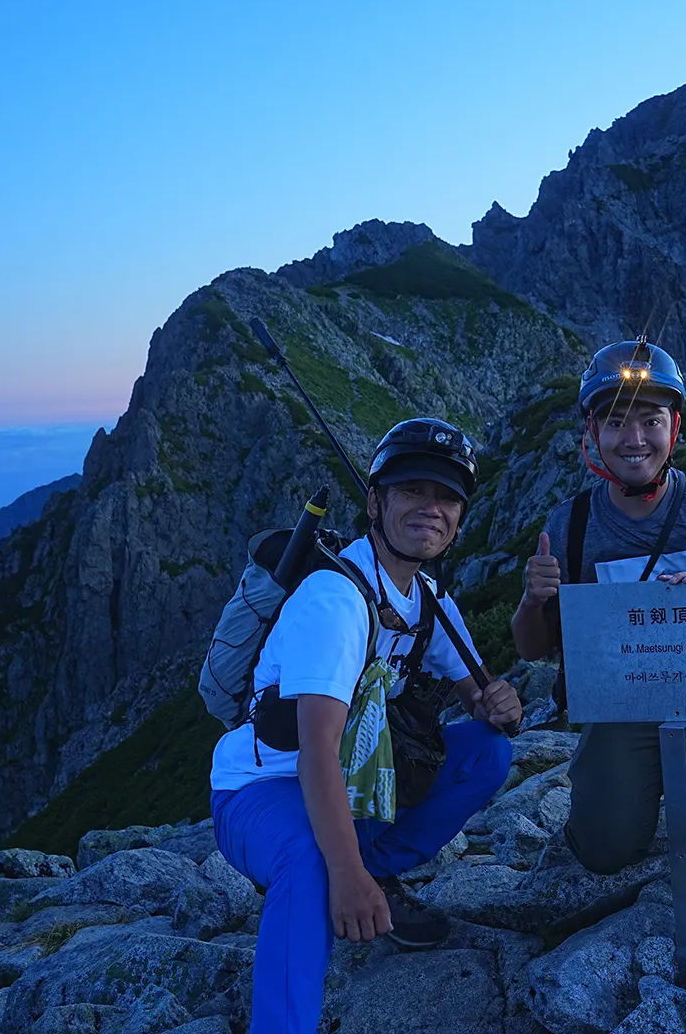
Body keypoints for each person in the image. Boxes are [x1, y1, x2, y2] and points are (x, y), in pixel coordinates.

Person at [209, 418, 521, 1034]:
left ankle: (373, 867)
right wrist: (344, 876)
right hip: (261, 789)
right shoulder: (336, 600)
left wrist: (495, 704)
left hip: (352, 784)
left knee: (486, 754)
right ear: (375, 502)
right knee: (310, 858)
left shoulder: (426, 599)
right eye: (413, 492)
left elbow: (480, 695)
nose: (432, 509)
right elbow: (316, 750)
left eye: (448, 497)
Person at [512, 338, 686, 880]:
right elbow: (533, 648)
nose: (635, 438)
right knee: (604, 849)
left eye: (651, 420)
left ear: (675, 428)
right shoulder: (569, 524)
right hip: (623, 704)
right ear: (592, 434)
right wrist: (534, 598)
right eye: (616, 422)